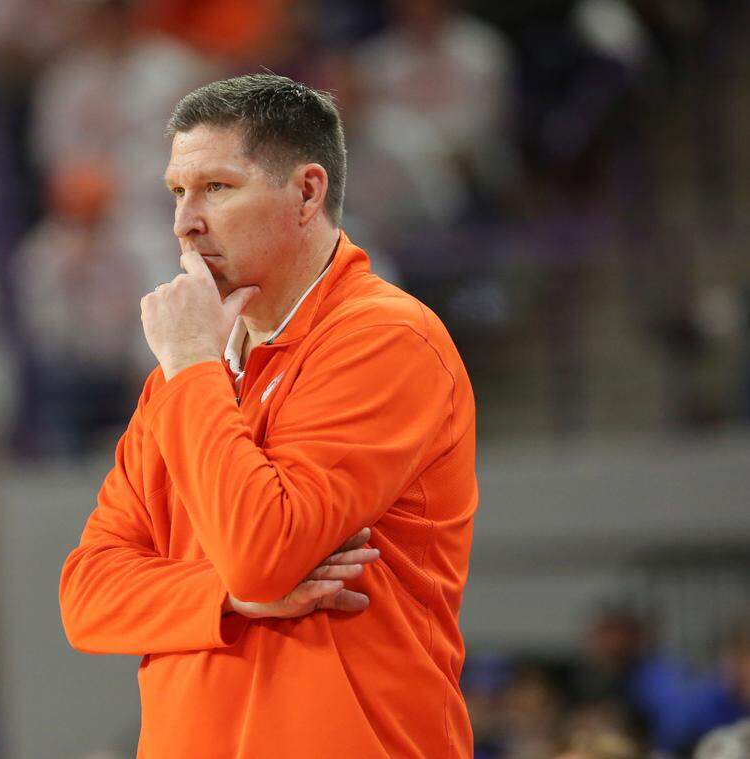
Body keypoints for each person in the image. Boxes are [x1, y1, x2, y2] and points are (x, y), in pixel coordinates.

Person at [59, 74, 478, 757]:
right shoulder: (182, 375)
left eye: (216, 188)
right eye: (176, 192)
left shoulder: (386, 339)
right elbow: (87, 595)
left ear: (307, 192)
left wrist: (192, 366)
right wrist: (226, 597)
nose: (185, 222)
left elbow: (262, 551)